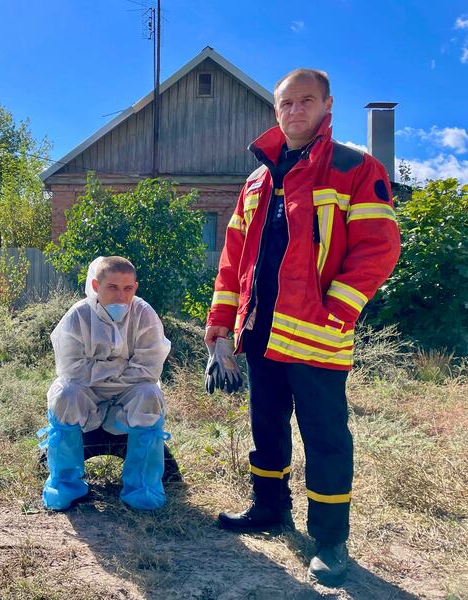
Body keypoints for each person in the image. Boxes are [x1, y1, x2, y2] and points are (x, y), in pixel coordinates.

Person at [205, 68, 400, 586]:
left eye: (305, 101)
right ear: (276, 110)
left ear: (327, 105)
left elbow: (378, 249)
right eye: (286, 103)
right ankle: (268, 507)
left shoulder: (355, 168)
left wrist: (336, 309)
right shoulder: (256, 179)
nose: (294, 111)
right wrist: (221, 324)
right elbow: (233, 259)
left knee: (326, 439)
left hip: (317, 336)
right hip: (261, 332)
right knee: (266, 428)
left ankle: (330, 540)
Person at [39, 256, 172, 511]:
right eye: (112, 287)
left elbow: (149, 369)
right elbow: (71, 369)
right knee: (66, 393)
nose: (121, 296)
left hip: (129, 394)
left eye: (128, 288)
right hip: (86, 394)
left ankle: (142, 489)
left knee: (149, 394)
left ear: (136, 287)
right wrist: (122, 365)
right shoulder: (78, 315)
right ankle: (65, 486)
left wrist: (100, 368)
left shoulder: (144, 314)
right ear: (96, 285)